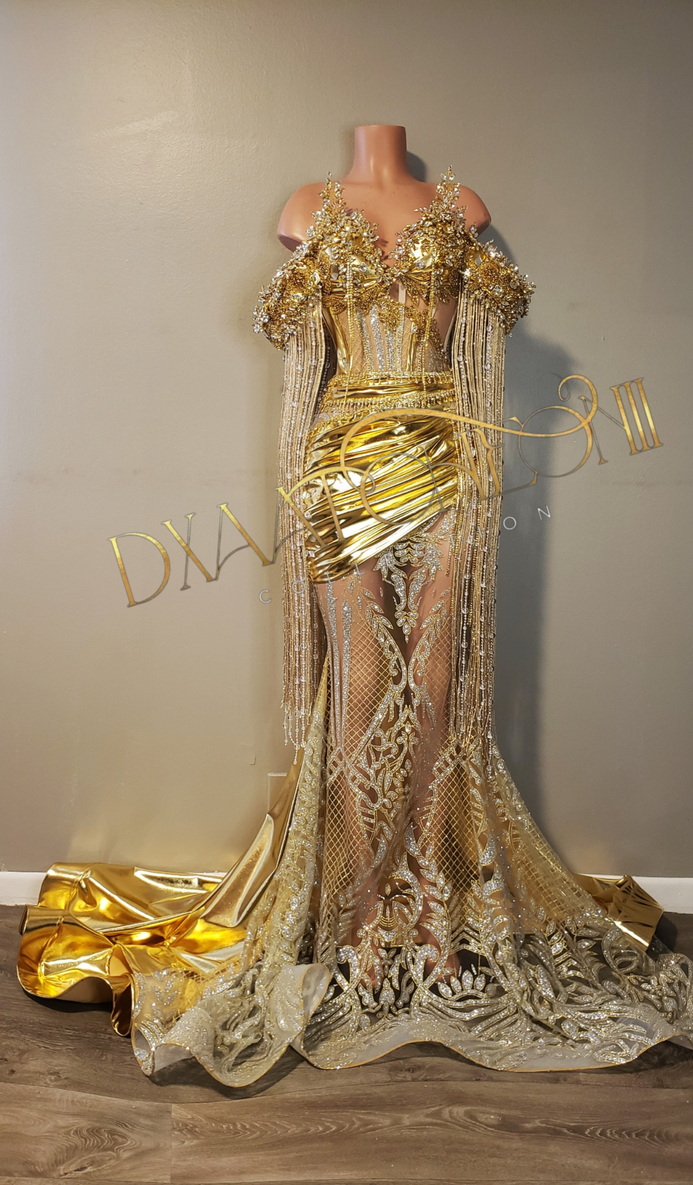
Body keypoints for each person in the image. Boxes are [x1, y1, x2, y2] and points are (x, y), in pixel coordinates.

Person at [18, 125, 693, 1085]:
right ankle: (362, 911)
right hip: (343, 465)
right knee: (361, 691)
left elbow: (478, 352)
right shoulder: (307, 209)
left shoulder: (461, 207)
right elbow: (309, 366)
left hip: (445, 456)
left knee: (438, 688)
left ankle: (441, 912)